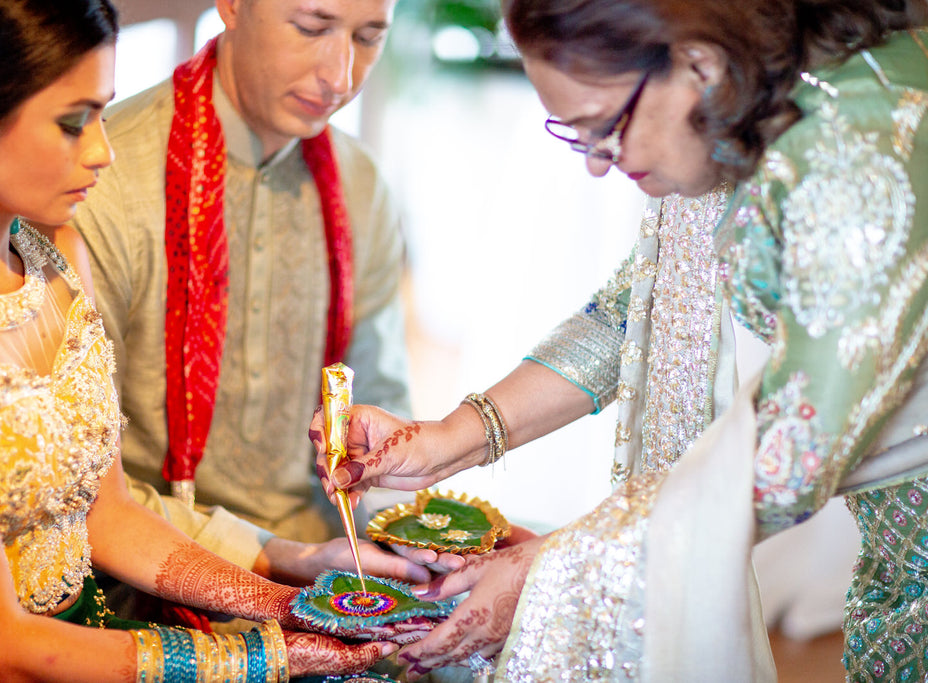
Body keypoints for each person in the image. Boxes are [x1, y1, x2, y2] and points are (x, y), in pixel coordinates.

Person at [313, 0, 928, 679]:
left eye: (604, 128)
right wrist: (447, 439)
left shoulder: (856, 158)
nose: (598, 165)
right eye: (576, 136)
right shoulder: (767, 102)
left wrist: (554, 570)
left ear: (698, 61)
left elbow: (788, 457)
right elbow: (636, 309)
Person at [0, 1, 418, 680]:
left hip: (94, 619)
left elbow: (107, 514)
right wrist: (263, 655)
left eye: (101, 112)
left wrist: (286, 605)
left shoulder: (54, 255)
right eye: (73, 122)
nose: (103, 150)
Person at [70, 0, 416, 570]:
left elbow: (379, 413)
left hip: (327, 553)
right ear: (231, 6)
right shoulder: (103, 179)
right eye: (311, 28)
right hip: (145, 569)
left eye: (369, 38)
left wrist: (414, 539)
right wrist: (277, 559)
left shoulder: (360, 183)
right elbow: (81, 487)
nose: (340, 76)